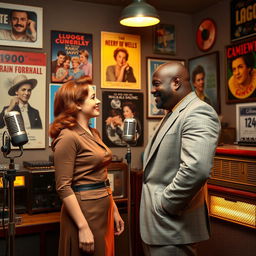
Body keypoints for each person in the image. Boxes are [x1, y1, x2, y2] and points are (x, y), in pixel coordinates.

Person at [140, 61, 220, 256]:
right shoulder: (173, 113)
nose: (153, 90)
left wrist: (166, 204)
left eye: (157, 84)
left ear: (175, 82)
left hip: (172, 228)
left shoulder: (198, 112)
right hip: (159, 231)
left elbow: (196, 169)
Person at [49, 79, 124, 256]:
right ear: (77, 104)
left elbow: (101, 176)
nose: (98, 101)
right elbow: (63, 187)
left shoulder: (94, 132)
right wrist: (82, 227)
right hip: (84, 211)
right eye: (93, 97)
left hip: (103, 207)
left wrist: (114, 210)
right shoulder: (68, 137)